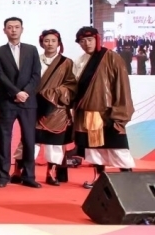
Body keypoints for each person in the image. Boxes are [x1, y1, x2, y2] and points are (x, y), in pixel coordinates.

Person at [72, 27, 135, 188]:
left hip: (107, 113)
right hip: (88, 113)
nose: (86, 44)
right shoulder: (80, 61)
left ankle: (130, 182)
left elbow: (122, 88)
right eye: (82, 41)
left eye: (90, 40)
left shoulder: (112, 57)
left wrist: (120, 115)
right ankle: (99, 180)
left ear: (97, 39)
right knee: (94, 150)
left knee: (118, 149)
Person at [0, 17, 42, 188]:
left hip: (28, 101)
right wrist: (16, 92)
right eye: (10, 27)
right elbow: (0, 76)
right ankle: (3, 176)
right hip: (8, 100)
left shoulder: (31, 49)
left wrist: (25, 92)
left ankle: (29, 176)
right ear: (4, 30)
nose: (13, 30)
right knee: (4, 139)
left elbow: (36, 75)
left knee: (29, 139)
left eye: (16, 27)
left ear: (22, 29)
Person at [34, 29, 77, 186]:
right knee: (30, 141)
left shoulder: (67, 62)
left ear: (59, 43)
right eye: (46, 41)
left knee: (54, 143)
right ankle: (24, 171)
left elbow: (72, 85)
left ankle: (51, 173)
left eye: (53, 41)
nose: (50, 44)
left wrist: (55, 93)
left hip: (56, 108)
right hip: (35, 105)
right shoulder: (34, 60)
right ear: (41, 43)